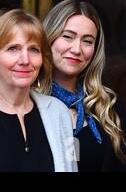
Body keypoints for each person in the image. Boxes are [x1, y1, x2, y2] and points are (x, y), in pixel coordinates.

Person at [42, 0, 126, 171]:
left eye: (87, 41)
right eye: (67, 36)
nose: (77, 49)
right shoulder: (27, 102)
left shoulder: (108, 107)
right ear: (49, 38)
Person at [0, 9, 77, 172]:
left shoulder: (59, 113)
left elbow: (72, 167)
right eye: (13, 48)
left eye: (34, 49)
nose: (25, 60)